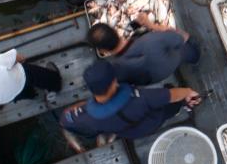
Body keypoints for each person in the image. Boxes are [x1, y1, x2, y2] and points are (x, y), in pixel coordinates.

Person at [59, 61, 202, 152]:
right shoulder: (139, 99)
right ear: (113, 83)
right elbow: (170, 95)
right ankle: (181, 107)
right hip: (149, 120)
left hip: (128, 131)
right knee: (171, 106)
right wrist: (188, 92)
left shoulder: (83, 118)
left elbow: (65, 119)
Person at [87, 15, 200, 86]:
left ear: (103, 51)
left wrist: (134, 26)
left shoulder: (116, 70)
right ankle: (196, 57)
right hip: (172, 61)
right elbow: (181, 37)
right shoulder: (152, 39)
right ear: (115, 31)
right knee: (185, 44)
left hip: (156, 77)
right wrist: (154, 26)